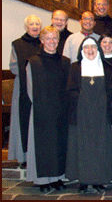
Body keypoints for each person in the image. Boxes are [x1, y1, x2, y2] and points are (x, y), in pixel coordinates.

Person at [65, 37, 112, 193]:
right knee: (82, 147)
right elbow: (71, 90)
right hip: (82, 114)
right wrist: (83, 103)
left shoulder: (106, 67)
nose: (90, 50)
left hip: (101, 116)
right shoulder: (75, 67)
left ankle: (100, 180)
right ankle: (83, 181)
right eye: (86, 47)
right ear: (82, 50)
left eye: (93, 47)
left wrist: (105, 106)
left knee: (101, 147)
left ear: (98, 49)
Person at [25, 26, 70, 192]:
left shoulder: (65, 62)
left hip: (60, 111)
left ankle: (57, 178)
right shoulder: (33, 62)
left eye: (55, 39)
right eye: (48, 38)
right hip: (41, 111)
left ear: (58, 41)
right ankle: (42, 180)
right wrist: (42, 108)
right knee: (43, 146)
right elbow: (30, 89)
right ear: (42, 40)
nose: (52, 42)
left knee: (59, 144)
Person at [8, 15, 42, 164]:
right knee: (23, 120)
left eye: (37, 24)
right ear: (26, 27)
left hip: (41, 88)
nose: (35, 26)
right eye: (31, 24)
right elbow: (14, 67)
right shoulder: (17, 44)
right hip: (22, 87)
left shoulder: (44, 42)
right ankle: (23, 156)